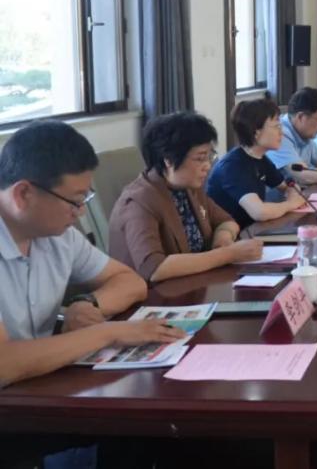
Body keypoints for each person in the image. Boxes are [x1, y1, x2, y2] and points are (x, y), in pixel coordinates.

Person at [0, 121, 184, 386]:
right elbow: (4, 364)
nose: (81, 212)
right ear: (24, 194)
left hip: (42, 384)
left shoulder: (59, 237)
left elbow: (130, 282)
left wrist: (87, 303)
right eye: (74, 201)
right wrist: (107, 333)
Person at [108, 113, 262, 283]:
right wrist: (227, 254)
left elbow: (226, 221)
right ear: (168, 160)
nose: (207, 166)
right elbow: (155, 269)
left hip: (194, 285)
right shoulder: (139, 201)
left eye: (210, 156)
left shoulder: (187, 187)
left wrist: (223, 238)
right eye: (200, 158)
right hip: (156, 295)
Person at [206, 98, 307, 229]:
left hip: (252, 230)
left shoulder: (260, 158)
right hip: (232, 235)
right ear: (256, 132)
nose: (281, 132)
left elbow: (287, 186)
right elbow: (259, 212)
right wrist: (291, 204)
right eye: (276, 126)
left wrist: (292, 192)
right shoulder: (233, 166)